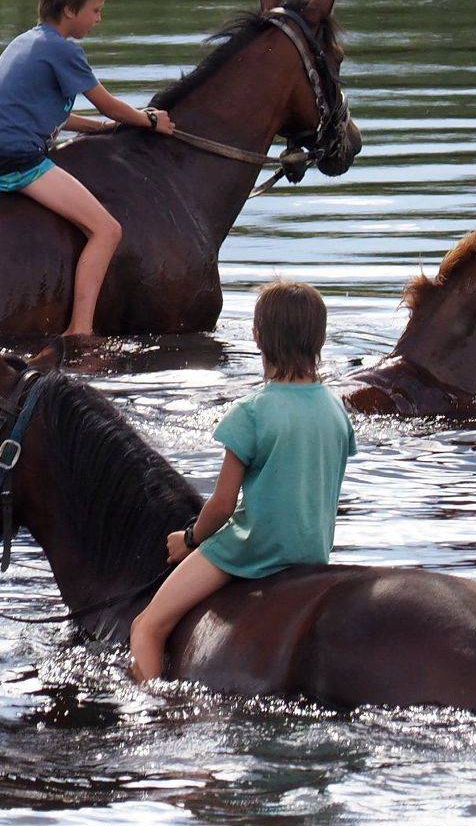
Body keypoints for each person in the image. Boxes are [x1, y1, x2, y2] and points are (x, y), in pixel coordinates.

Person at [130, 279, 357, 683]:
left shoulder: (251, 412)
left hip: (252, 552)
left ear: (257, 336)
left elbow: (221, 506)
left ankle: (151, 709)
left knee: (147, 627)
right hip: (312, 553)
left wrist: (190, 540)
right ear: (320, 339)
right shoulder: (336, 409)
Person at [0, 0, 173, 337]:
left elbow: (50, 115)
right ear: (69, 10)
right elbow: (108, 103)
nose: (99, 18)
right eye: (95, 10)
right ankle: (80, 330)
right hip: (17, 159)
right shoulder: (64, 50)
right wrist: (149, 120)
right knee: (107, 230)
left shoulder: (26, 41)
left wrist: (100, 129)